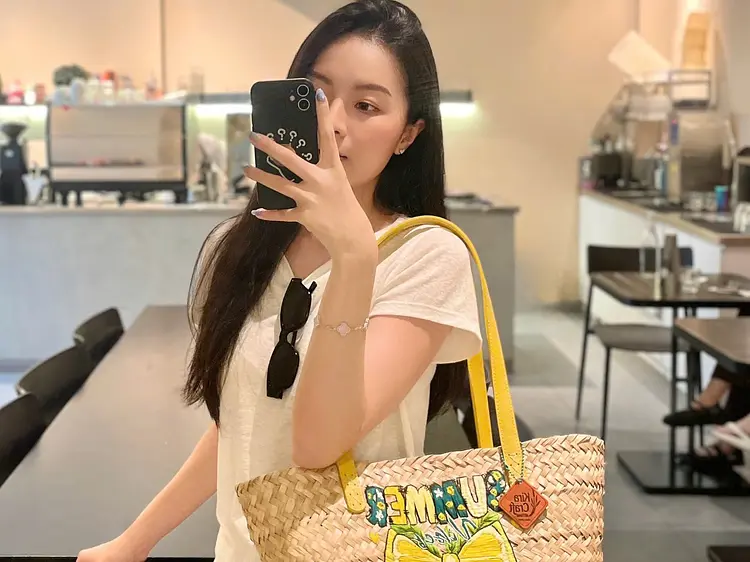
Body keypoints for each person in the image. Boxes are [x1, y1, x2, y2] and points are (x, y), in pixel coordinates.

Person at [77, 2, 482, 561]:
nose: (333, 123)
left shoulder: (425, 256)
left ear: (407, 135)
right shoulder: (242, 246)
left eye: (366, 105)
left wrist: (354, 258)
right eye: (315, 95)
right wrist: (133, 542)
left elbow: (318, 445)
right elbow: (242, 425)